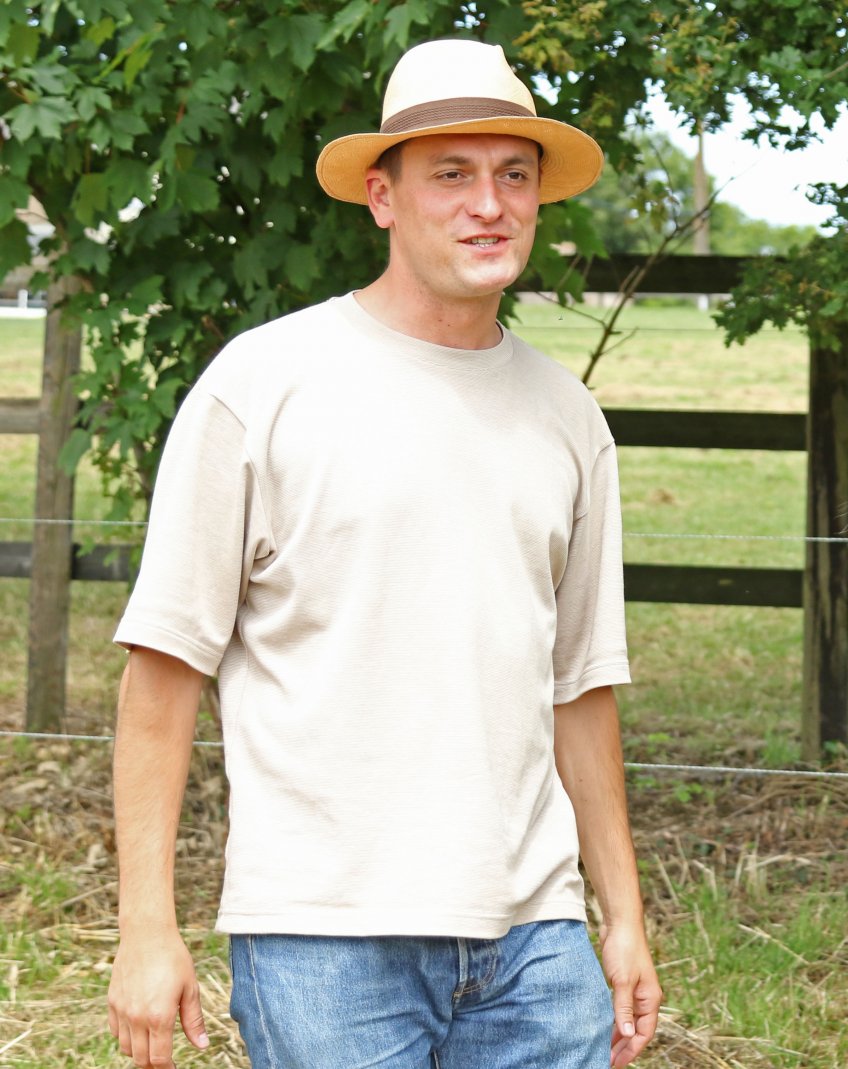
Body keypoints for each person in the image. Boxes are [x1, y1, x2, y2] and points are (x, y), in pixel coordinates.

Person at [105, 37, 661, 1069]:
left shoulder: (569, 418)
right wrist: (146, 928)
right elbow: (163, 671)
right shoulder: (262, 387)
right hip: (325, 937)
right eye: (451, 174)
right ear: (382, 196)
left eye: (514, 175)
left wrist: (619, 914)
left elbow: (581, 685)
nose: (488, 205)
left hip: (537, 944)